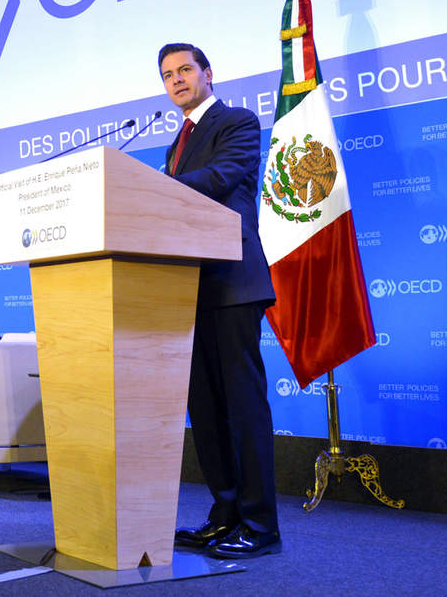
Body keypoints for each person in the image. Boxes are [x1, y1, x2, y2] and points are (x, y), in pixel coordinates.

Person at [159, 42, 280, 558]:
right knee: (206, 410)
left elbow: (219, 178)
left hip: (232, 282)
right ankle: (225, 515)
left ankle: (260, 525)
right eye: (168, 75)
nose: (177, 80)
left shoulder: (238, 122)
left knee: (242, 407)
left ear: (207, 73)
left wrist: (154, 189)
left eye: (185, 69)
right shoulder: (176, 142)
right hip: (189, 289)